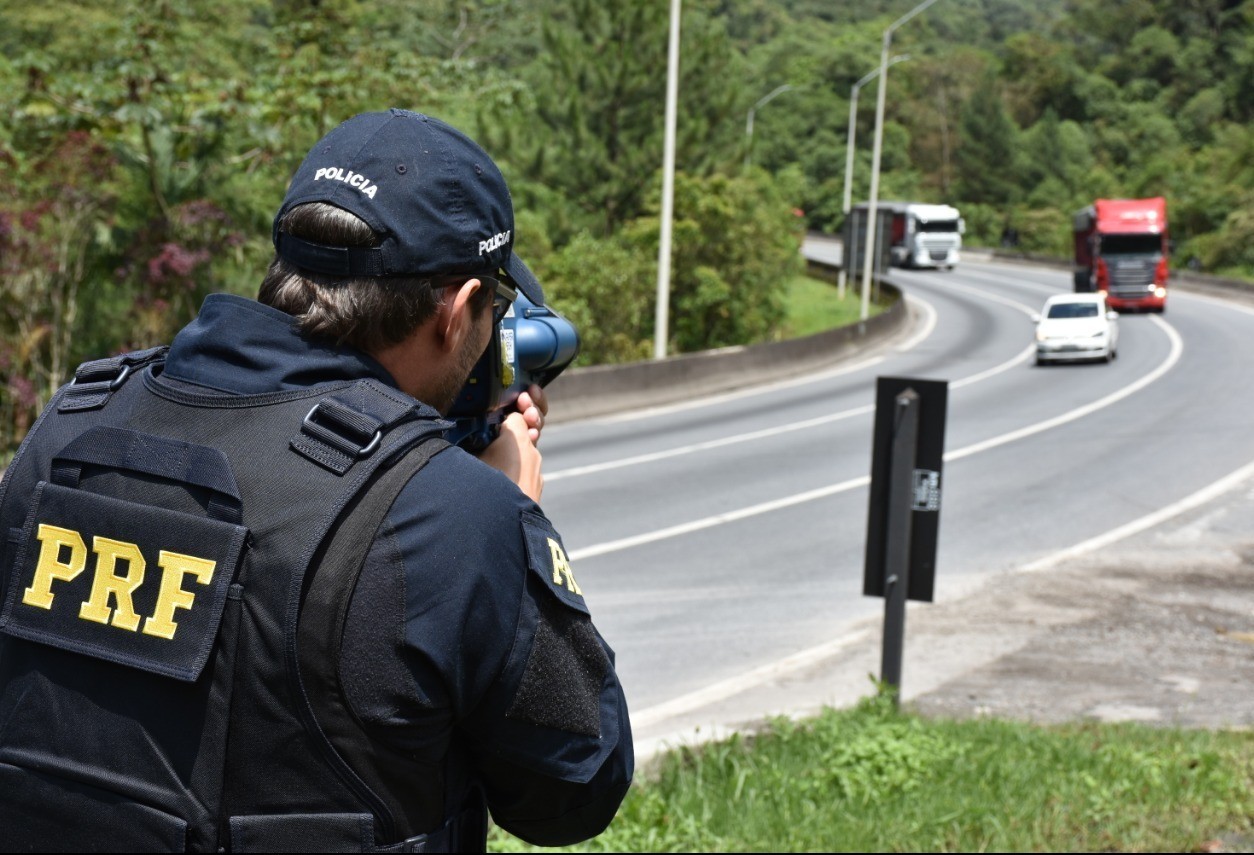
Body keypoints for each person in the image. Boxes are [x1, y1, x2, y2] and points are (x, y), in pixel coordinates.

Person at [0, 109, 633, 852]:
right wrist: (509, 517)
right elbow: (574, 790)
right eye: (492, 307)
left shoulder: (72, 423)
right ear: (460, 312)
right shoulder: (454, 516)